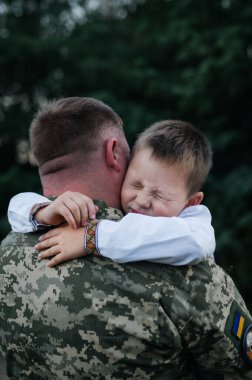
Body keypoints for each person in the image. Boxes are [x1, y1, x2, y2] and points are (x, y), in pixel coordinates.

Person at [1, 97, 252, 379]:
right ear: (114, 152)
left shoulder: (7, 252)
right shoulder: (180, 272)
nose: (143, 200)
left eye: (157, 194)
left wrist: (88, 234)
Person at [8, 120, 216, 268]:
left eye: (160, 196)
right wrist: (44, 211)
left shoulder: (193, 223)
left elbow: (195, 243)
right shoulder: (120, 209)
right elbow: (17, 204)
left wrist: (92, 237)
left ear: (191, 202)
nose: (141, 200)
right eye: (135, 184)